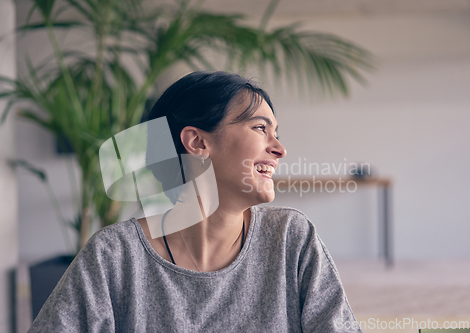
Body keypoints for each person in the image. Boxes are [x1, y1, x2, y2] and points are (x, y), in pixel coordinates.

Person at [28, 71, 362, 332]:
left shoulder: (290, 237)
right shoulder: (113, 256)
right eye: (261, 128)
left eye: (277, 133)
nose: (279, 149)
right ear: (197, 141)